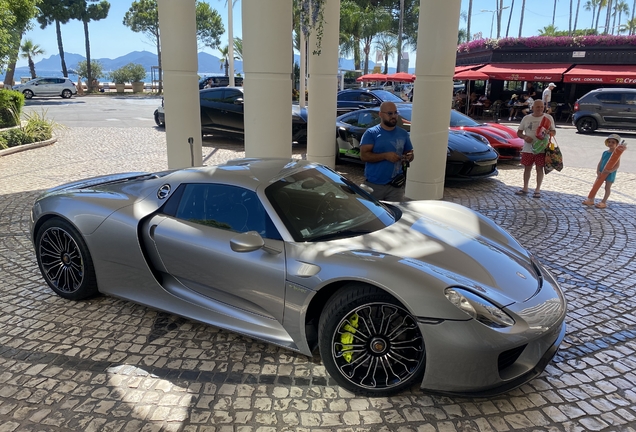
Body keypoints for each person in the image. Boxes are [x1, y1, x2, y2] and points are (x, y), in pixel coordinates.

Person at [360, 101, 414, 202]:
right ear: (380, 114)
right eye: (390, 113)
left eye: (395, 113)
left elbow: (409, 153)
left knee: (394, 215)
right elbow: (364, 156)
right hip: (374, 185)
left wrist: (409, 156)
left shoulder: (403, 133)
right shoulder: (371, 133)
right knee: (374, 215)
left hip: (395, 185)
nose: (393, 116)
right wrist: (385, 156)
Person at [515, 100, 556, 198]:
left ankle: (537, 189)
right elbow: (519, 132)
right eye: (537, 107)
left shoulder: (548, 117)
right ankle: (525, 188)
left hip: (541, 148)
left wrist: (548, 132)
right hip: (528, 148)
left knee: (539, 168)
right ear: (532, 108)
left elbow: (554, 132)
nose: (540, 109)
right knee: (527, 168)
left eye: (542, 107)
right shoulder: (526, 118)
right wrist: (525, 137)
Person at [582, 134, 622, 209]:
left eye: (613, 142)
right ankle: (591, 199)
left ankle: (604, 201)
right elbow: (600, 162)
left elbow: (617, 165)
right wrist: (598, 171)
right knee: (596, 186)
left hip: (610, 174)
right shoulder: (605, 152)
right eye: (609, 142)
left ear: (617, 144)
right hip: (602, 172)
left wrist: (610, 171)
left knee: (607, 187)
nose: (610, 144)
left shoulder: (616, 154)